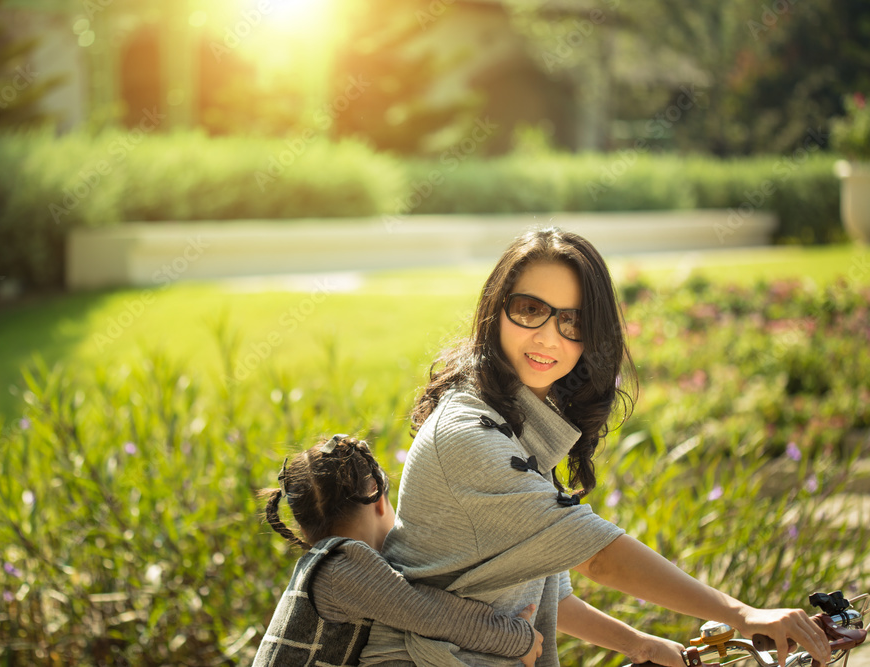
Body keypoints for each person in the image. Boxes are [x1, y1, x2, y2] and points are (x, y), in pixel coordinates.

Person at [358, 227, 831, 667]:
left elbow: (550, 596)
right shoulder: (469, 436)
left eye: (573, 322)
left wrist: (636, 643)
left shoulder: (515, 426)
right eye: (529, 310)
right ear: (494, 310)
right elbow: (600, 558)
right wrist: (743, 614)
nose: (548, 336)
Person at [252, 434, 544, 667]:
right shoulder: (341, 568)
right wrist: (518, 640)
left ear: (303, 530)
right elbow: (428, 613)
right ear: (378, 499)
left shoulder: (323, 567)